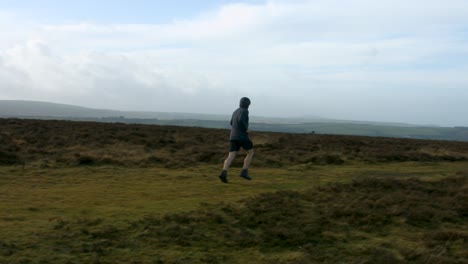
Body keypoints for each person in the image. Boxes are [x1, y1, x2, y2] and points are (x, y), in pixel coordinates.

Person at [219, 97, 254, 183]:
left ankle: (223, 173)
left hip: (233, 137)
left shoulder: (235, 111)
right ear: (247, 104)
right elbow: (241, 120)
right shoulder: (245, 111)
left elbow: (231, 122)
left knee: (231, 156)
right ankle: (244, 171)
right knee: (250, 152)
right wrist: (246, 128)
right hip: (241, 136)